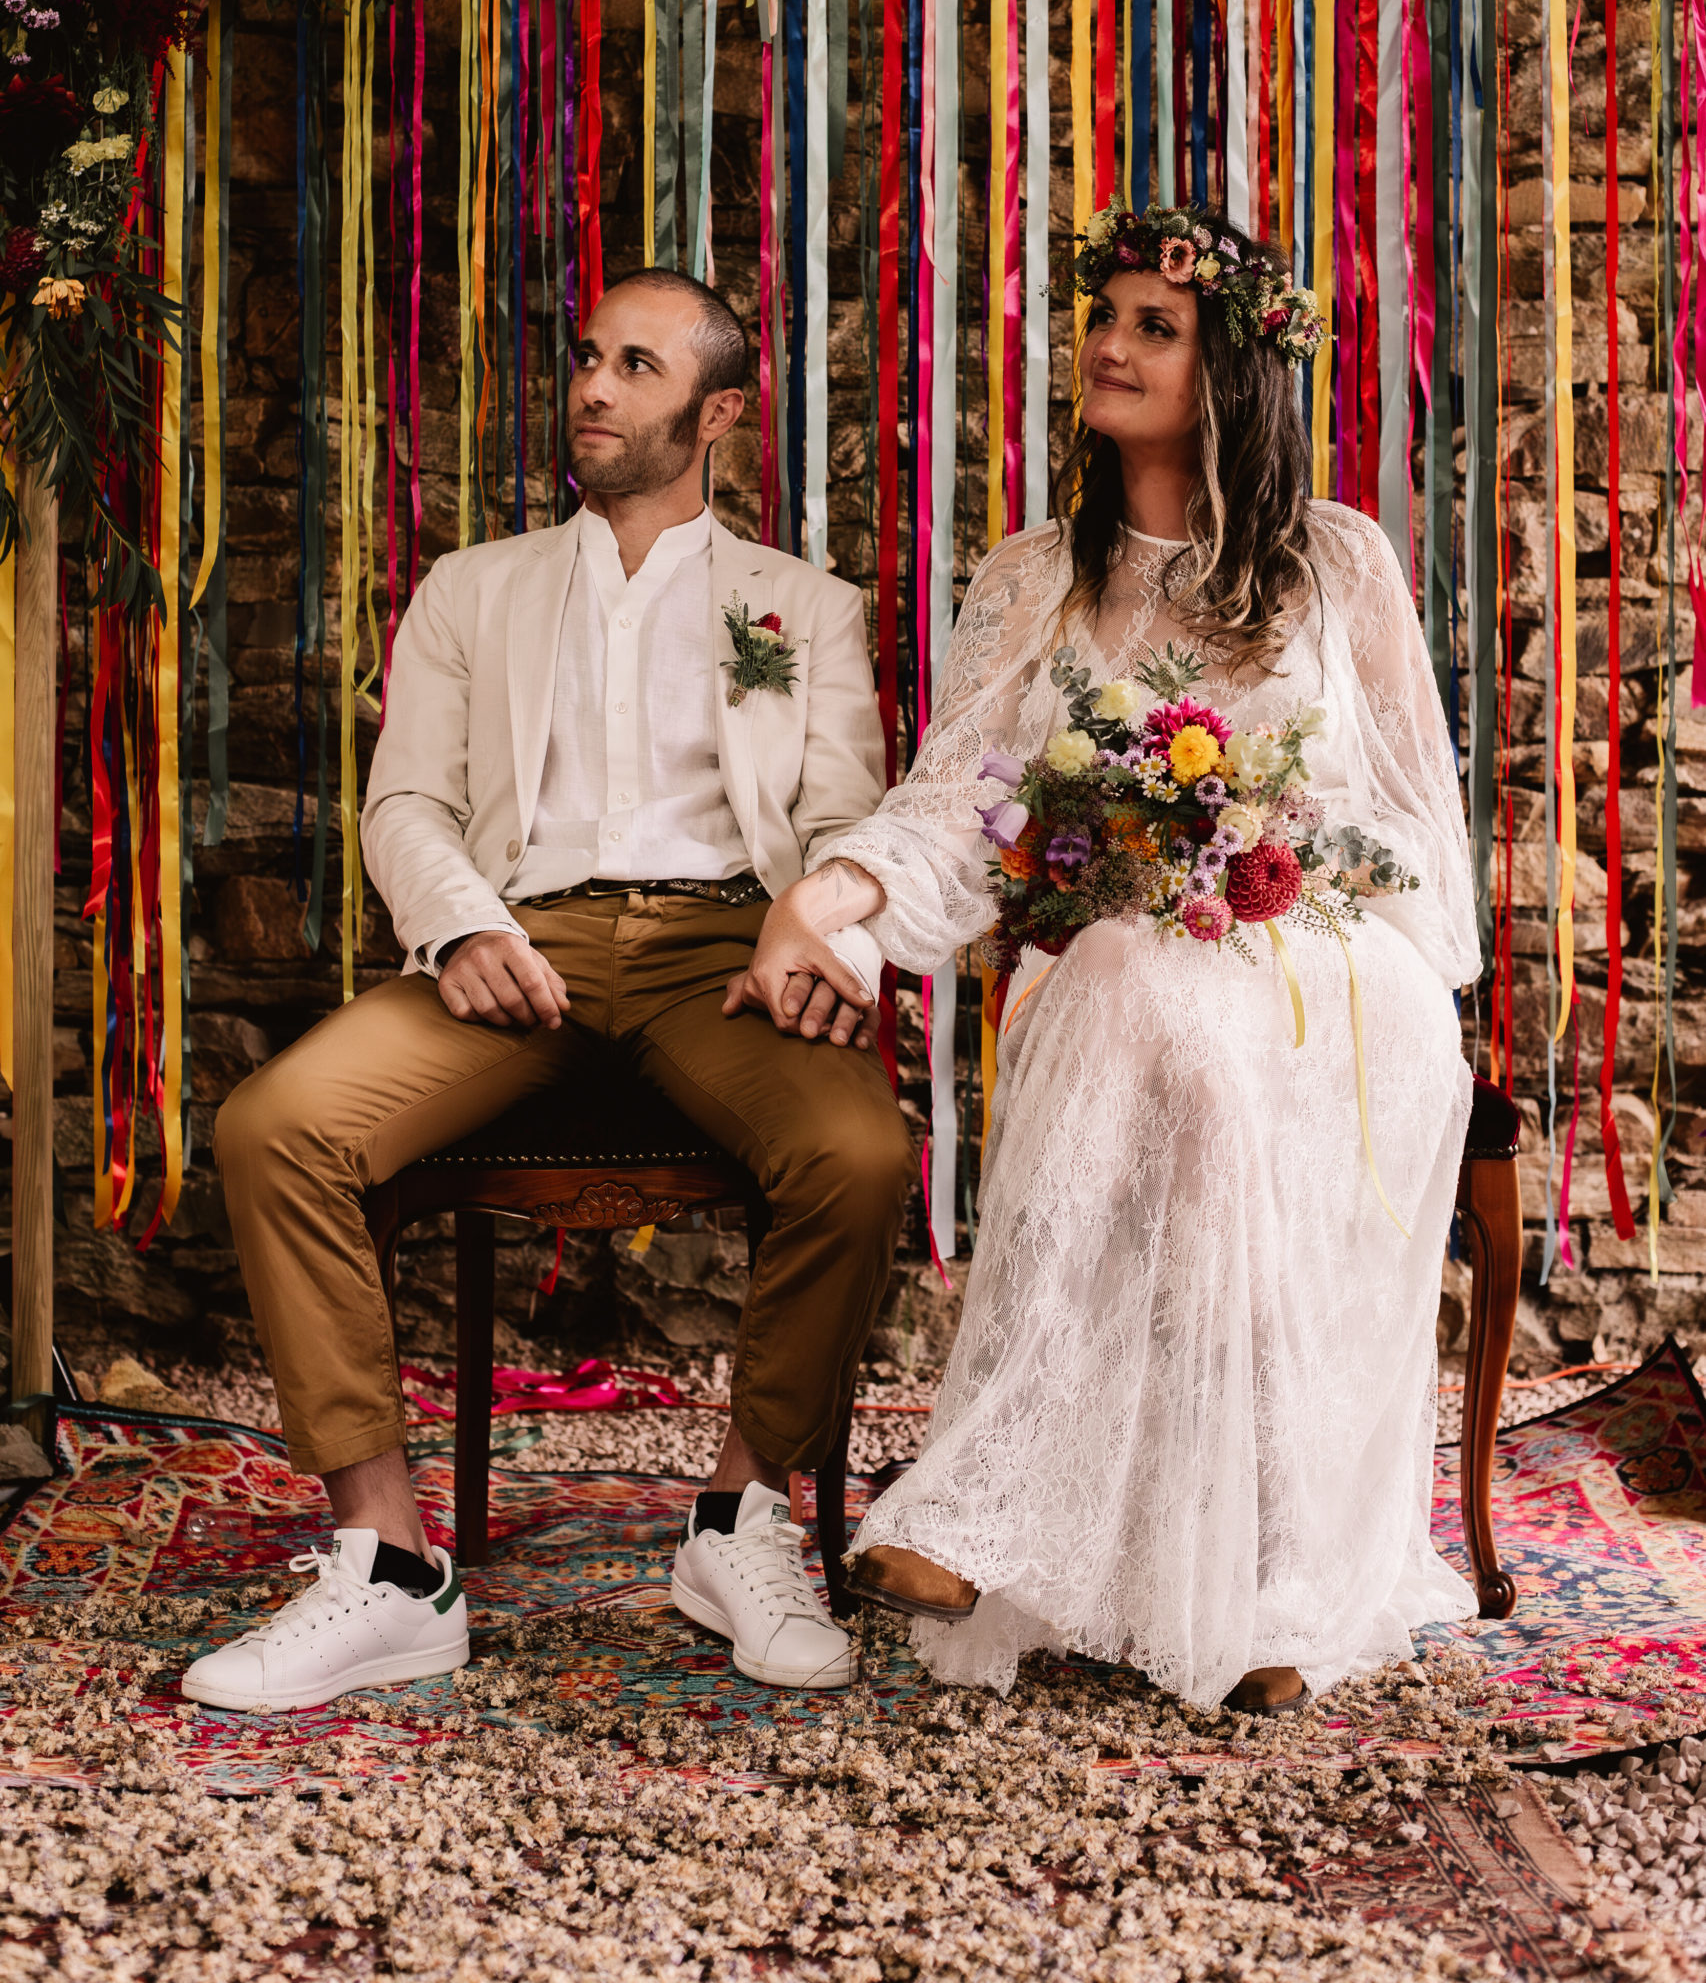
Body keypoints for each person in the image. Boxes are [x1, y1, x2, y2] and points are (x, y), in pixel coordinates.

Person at [727, 204, 1482, 1717]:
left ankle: (998, 1505)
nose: (1110, 346)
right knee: (1139, 984)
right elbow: (956, 799)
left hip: (1334, 974)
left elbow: (1419, 825)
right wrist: (835, 891)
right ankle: (1243, 1587)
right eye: (1102, 318)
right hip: (1129, 978)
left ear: (1230, 367)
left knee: (1149, 990)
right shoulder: (1030, 581)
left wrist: (1252, 842)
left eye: (1155, 326)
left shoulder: (1335, 563)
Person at [185, 268, 912, 1714]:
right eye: (587, 356)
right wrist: (460, 928)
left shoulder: (805, 610)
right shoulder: (473, 588)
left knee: (859, 1155)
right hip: (517, 945)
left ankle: (738, 1522)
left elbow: (846, 822)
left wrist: (831, 944)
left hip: (726, 953)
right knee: (274, 1126)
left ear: (717, 414)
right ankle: (389, 1567)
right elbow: (407, 802)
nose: (591, 386)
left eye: (636, 366)